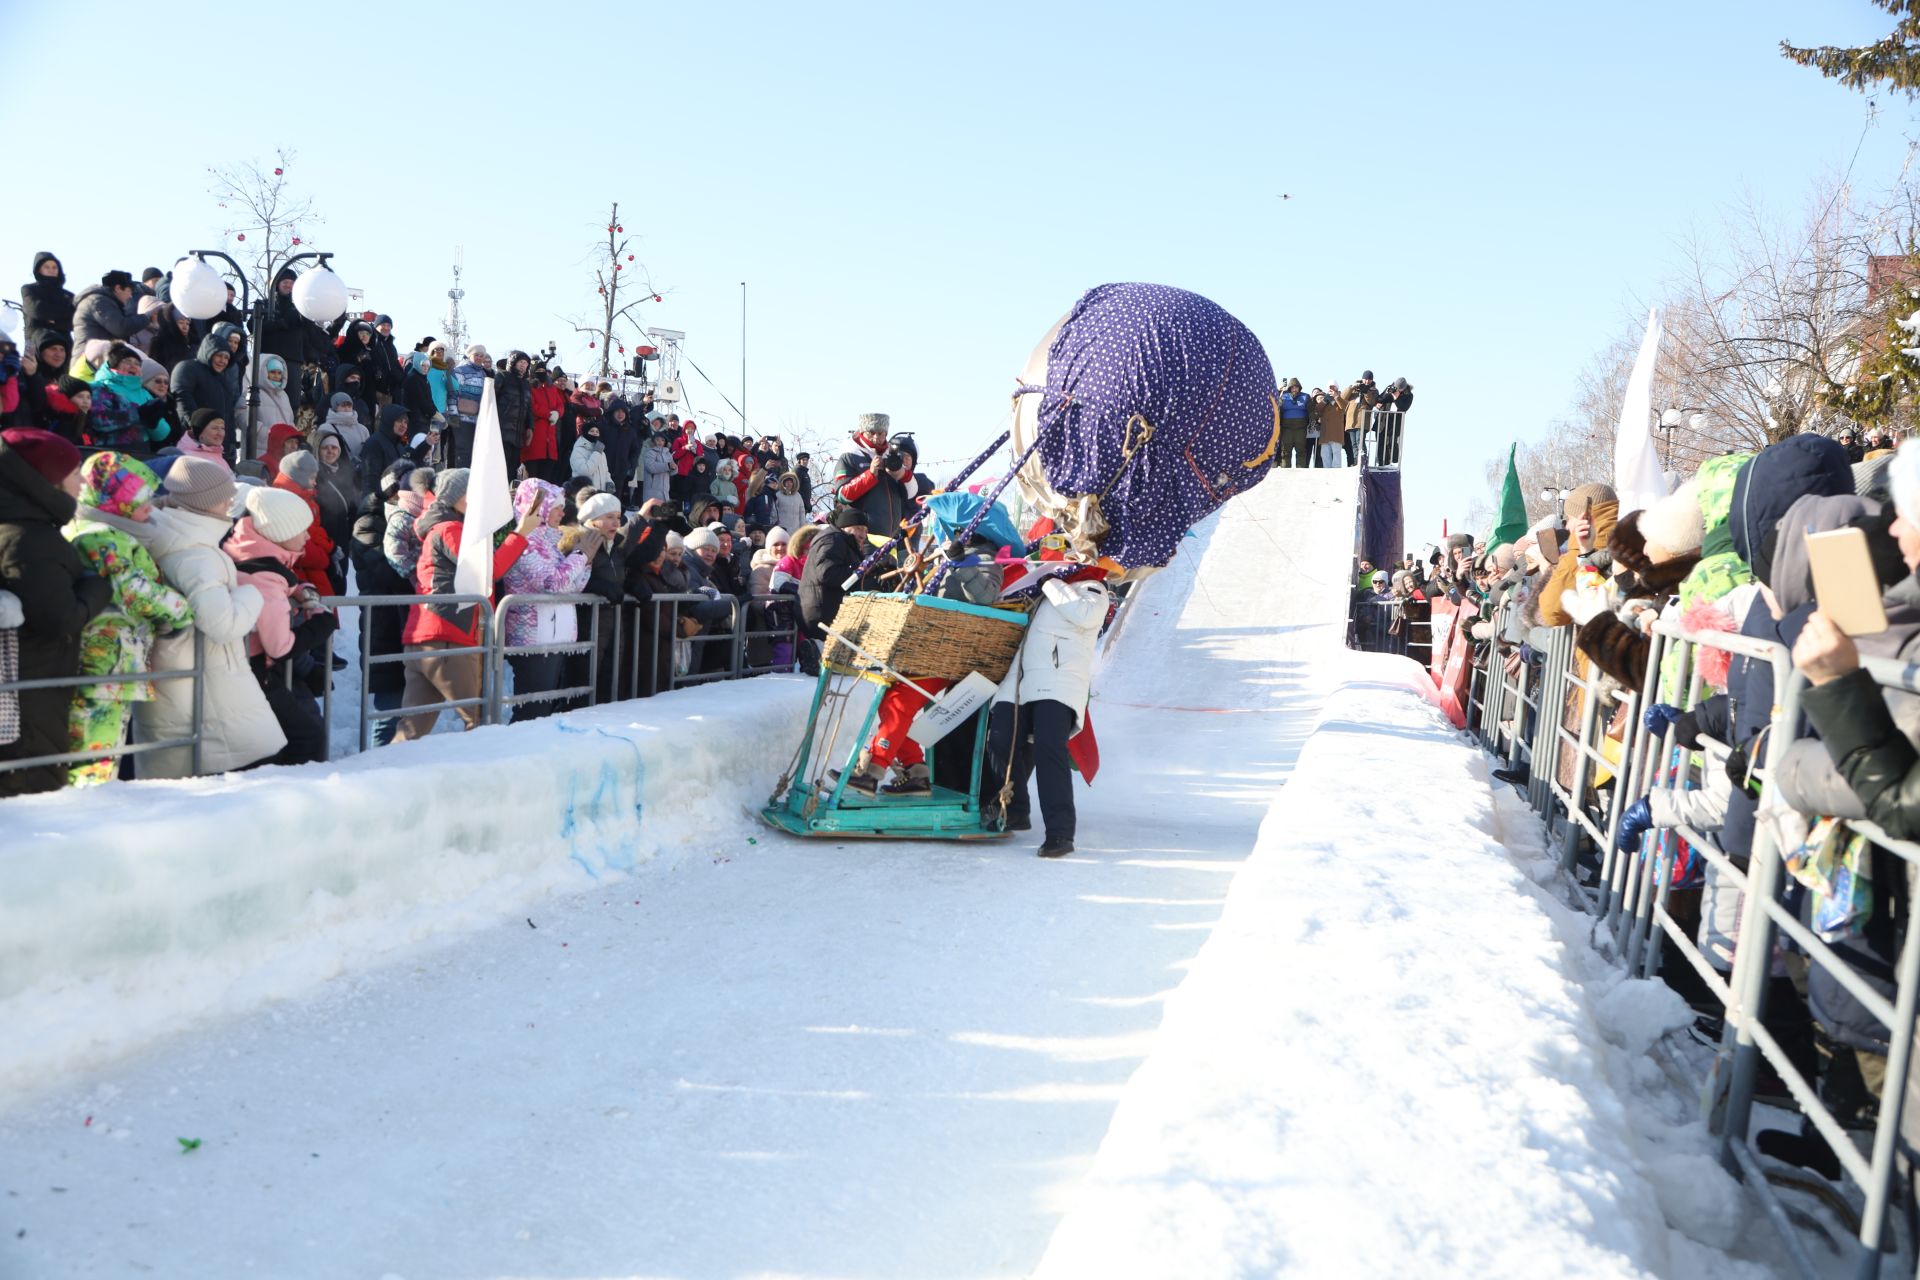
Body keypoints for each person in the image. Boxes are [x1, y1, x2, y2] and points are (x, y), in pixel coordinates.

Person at [132, 457, 285, 776]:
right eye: (224, 495)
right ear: (204, 502)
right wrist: (252, 593)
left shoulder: (177, 538)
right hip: (201, 685)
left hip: (189, 680)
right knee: (204, 791)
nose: (231, 501)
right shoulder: (195, 554)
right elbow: (222, 624)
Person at [61, 453, 195, 786]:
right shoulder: (101, 537)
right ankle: (86, 822)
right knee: (94, 761)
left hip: (110, 662)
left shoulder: (103, 531)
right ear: (114, 501)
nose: (149, 507)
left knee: (101, 756)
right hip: (103, 663)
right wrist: (180, 609)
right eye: (139, 499)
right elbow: (131, 589)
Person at [0, 429, 112, 796]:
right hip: (31, 695)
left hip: (28, 690)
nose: (81, 481)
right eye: (74, 471)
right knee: (35, 794)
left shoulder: (22, 528)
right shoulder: (30, 540)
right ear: (47, 479)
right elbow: (58, 620)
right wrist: (98, 585)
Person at [393, 468, 536, 740]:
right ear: (455, 497)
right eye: (473, 492)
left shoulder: (444, 528)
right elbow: (487, 572)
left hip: (429, 637)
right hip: (447, 637)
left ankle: (387, 776)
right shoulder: (450, 529)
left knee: (411, 730)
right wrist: (520, 534)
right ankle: (481, 780)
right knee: (479, 722)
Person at [983, 572, 1112, 858]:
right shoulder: (1040, 591)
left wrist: (1052, 584)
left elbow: (1086, 615)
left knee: (1048, 750)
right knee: (999, 738)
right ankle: (1016, 810)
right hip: (1020, 680)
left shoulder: (1093, 590)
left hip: (1059, 682)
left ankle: (1060, 833)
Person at [224, 486, 337, 765]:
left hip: (242, 672)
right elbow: (281, 645)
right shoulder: (265, 577)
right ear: (280, 533)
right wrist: (323, 624)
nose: (308, 536)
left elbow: (279, 582)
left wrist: (298, 589)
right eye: (301, 530)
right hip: (254, 675)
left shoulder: (248, 554)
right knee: (307, 739)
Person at [500, 478, 591, 719]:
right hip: (532, 639)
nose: (563, 511)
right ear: (541, 507)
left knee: (543, 710)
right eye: (557, 506)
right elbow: (553, 583)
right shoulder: (525, 543)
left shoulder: (550, 543)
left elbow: (573, 587)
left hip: (554, 636)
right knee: (532, 710)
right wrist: (581, 556)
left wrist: (587, 563)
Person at [832, 414, 915, 536]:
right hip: (862, 537)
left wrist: (900, 473)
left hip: (891, 538)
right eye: (871, 432)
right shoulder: (849, 456)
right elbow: (843, 495)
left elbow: (912, 492)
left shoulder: (892, 456)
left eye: (881, 433)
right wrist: (870, 474)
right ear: (862, 431)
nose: (877, 437)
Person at [798, 508, 872, 641]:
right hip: (822, 614)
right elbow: (827, 573)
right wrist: (859, 569)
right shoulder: (833, 540)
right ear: (845, 527)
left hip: (823, 610)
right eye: (859, 528)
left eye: (865, 531)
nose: (863, 535)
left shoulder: (843, 542)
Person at [82, 344, 171, 455]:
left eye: (137, 364)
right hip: (109, 454)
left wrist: (154, 424)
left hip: (141, 454)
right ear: (113, 366)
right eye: (127, 361)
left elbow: (161, 435)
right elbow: (99, 421)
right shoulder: (99, 388)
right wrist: (137, 414)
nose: (133, 366)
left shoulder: (144, 393)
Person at [72, 270, 155, 348]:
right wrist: (146, 317)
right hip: (88, 359)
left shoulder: (106, 302)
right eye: (129, 291)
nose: (130, 296)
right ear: (118, 288)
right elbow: (121, 328)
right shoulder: (98, 301)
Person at [240, 354, 299, 458]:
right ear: (263, 372)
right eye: (272, 372)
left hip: (282, 447)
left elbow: (290, 420)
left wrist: (293, 434)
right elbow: (241, 415)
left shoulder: (284, 396)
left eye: (279, 373)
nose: (276, 375)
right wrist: (264, 433)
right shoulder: (252, 391)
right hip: (260, 447)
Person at [446, 344, 491, 469]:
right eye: (476, 355)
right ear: (470, 355)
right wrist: (453, 413)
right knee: (462, 451)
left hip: (476, 420)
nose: (479, 358)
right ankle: (461, 480)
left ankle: (469, 480)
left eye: (481, 356)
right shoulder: (460, 370)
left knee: (473, 452)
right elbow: (453, 393)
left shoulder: (483, 373)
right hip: (461, 418)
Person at [495, 350, 535, 478]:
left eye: (526, 363)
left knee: (513, 468)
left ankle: (509, 495)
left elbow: (528, 408)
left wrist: (530, 427)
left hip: (518, 434)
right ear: (513, 362)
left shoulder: (526, 384)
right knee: (500, 466)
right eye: (521, 362)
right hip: (501, 430)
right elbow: (491, 400)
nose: (523, 365)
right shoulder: (502, 376)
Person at [21, 253, 74, 346]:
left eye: (54, 267)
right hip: (37, 343)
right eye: (47, 267)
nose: (51, 270)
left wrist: (55, 321)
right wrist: (63, 315)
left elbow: (75, 320)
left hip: (64, 346)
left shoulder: (68, 295)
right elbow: (37, 310)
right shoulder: (29, 290)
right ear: (39, 269)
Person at [526, 366, 567, 484]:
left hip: (550, 440)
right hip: (535, 437)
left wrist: (557, 413)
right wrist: (548, 414)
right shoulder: (530, 387)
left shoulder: (552, 388)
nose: (541, 373)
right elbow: (532, 406)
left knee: (546, 480)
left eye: (543, 371)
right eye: (538, 371)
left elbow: (560, 405)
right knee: (532, 479)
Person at [570, 418, 614, 492]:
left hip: (600, 493)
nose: (595, 433)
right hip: (585, 493)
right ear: (585, 433)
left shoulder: (601, 452)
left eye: (597, 431)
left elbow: (605, 471)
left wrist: (609, 482)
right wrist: (596, 453)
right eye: (592, 431)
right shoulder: (578, 450)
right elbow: (585, 471)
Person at [1278, 378, 1311, 468]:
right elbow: (1277, 408)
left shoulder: (1306, 397)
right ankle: (1285, 470)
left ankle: (1300, 471)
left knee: (1301, 451)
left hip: (1300, 428)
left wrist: (1312, 422)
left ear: (1299, 388)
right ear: (1289, 388)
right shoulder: (1283, 396)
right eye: (1292, 387)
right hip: (1286, 428)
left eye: (1296, 387)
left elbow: (1311, 411)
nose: (1294, 389)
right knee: (1285, 451)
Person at [640, 428, 675, 508]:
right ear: (653, 441)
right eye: (657, 440)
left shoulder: (668, 454)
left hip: (665, 490)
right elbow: (651, 467)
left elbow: (672, 472)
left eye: (662, 440)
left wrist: (674, 468)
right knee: (651, 513)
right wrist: (667, 466)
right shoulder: (650, 452)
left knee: (662, 515)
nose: (660, 442)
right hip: (652, 490)